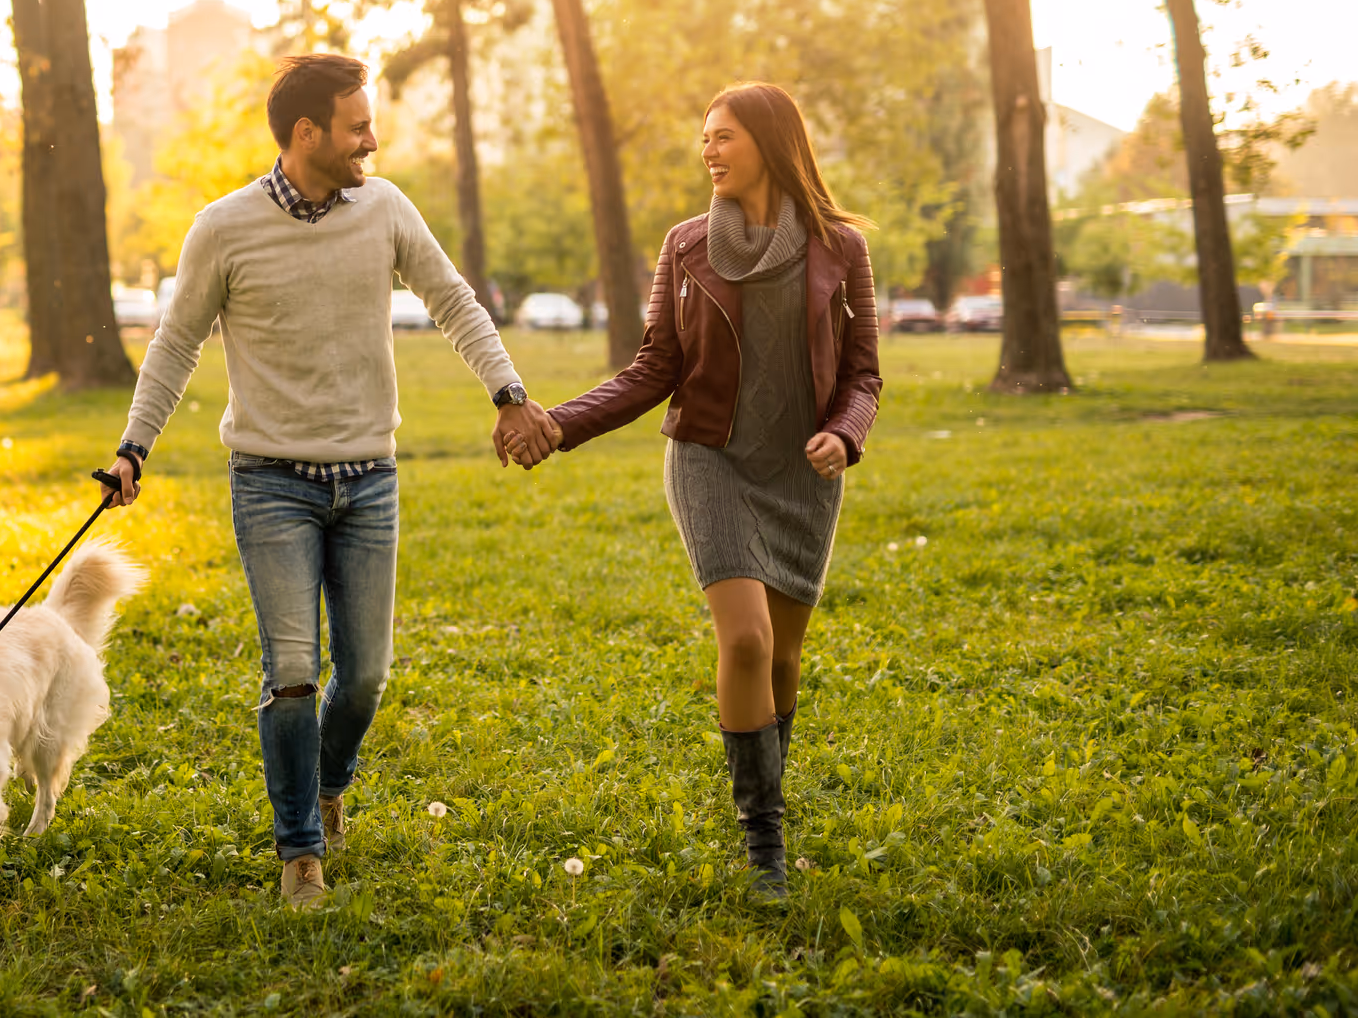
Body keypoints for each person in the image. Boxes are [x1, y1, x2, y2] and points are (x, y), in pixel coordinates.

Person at [102, 53, 559, 909]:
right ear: (305, 133)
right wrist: (135, 446)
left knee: (368, 674)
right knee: (291, 673)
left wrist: (508, 395)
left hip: (369, 481)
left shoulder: (383, 208)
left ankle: (328, 776)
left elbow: (454, 301)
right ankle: (300, 854)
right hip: (270, 480)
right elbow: (174, 344)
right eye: (357, 127)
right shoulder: (223, 227)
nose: (371, 140)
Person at [501, 82, 881, 895]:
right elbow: (654, 369)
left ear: (771, 143)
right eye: (704, 138)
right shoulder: (685, 245)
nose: (708, 150)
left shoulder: (839, 246)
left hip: (801, 471)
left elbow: (863, 374)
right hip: (708, 458)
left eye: (724, 137)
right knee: (742, 640)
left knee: (782, 655)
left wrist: (844, 434)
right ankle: (764, 842)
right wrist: (558, 424)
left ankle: (769, 802)